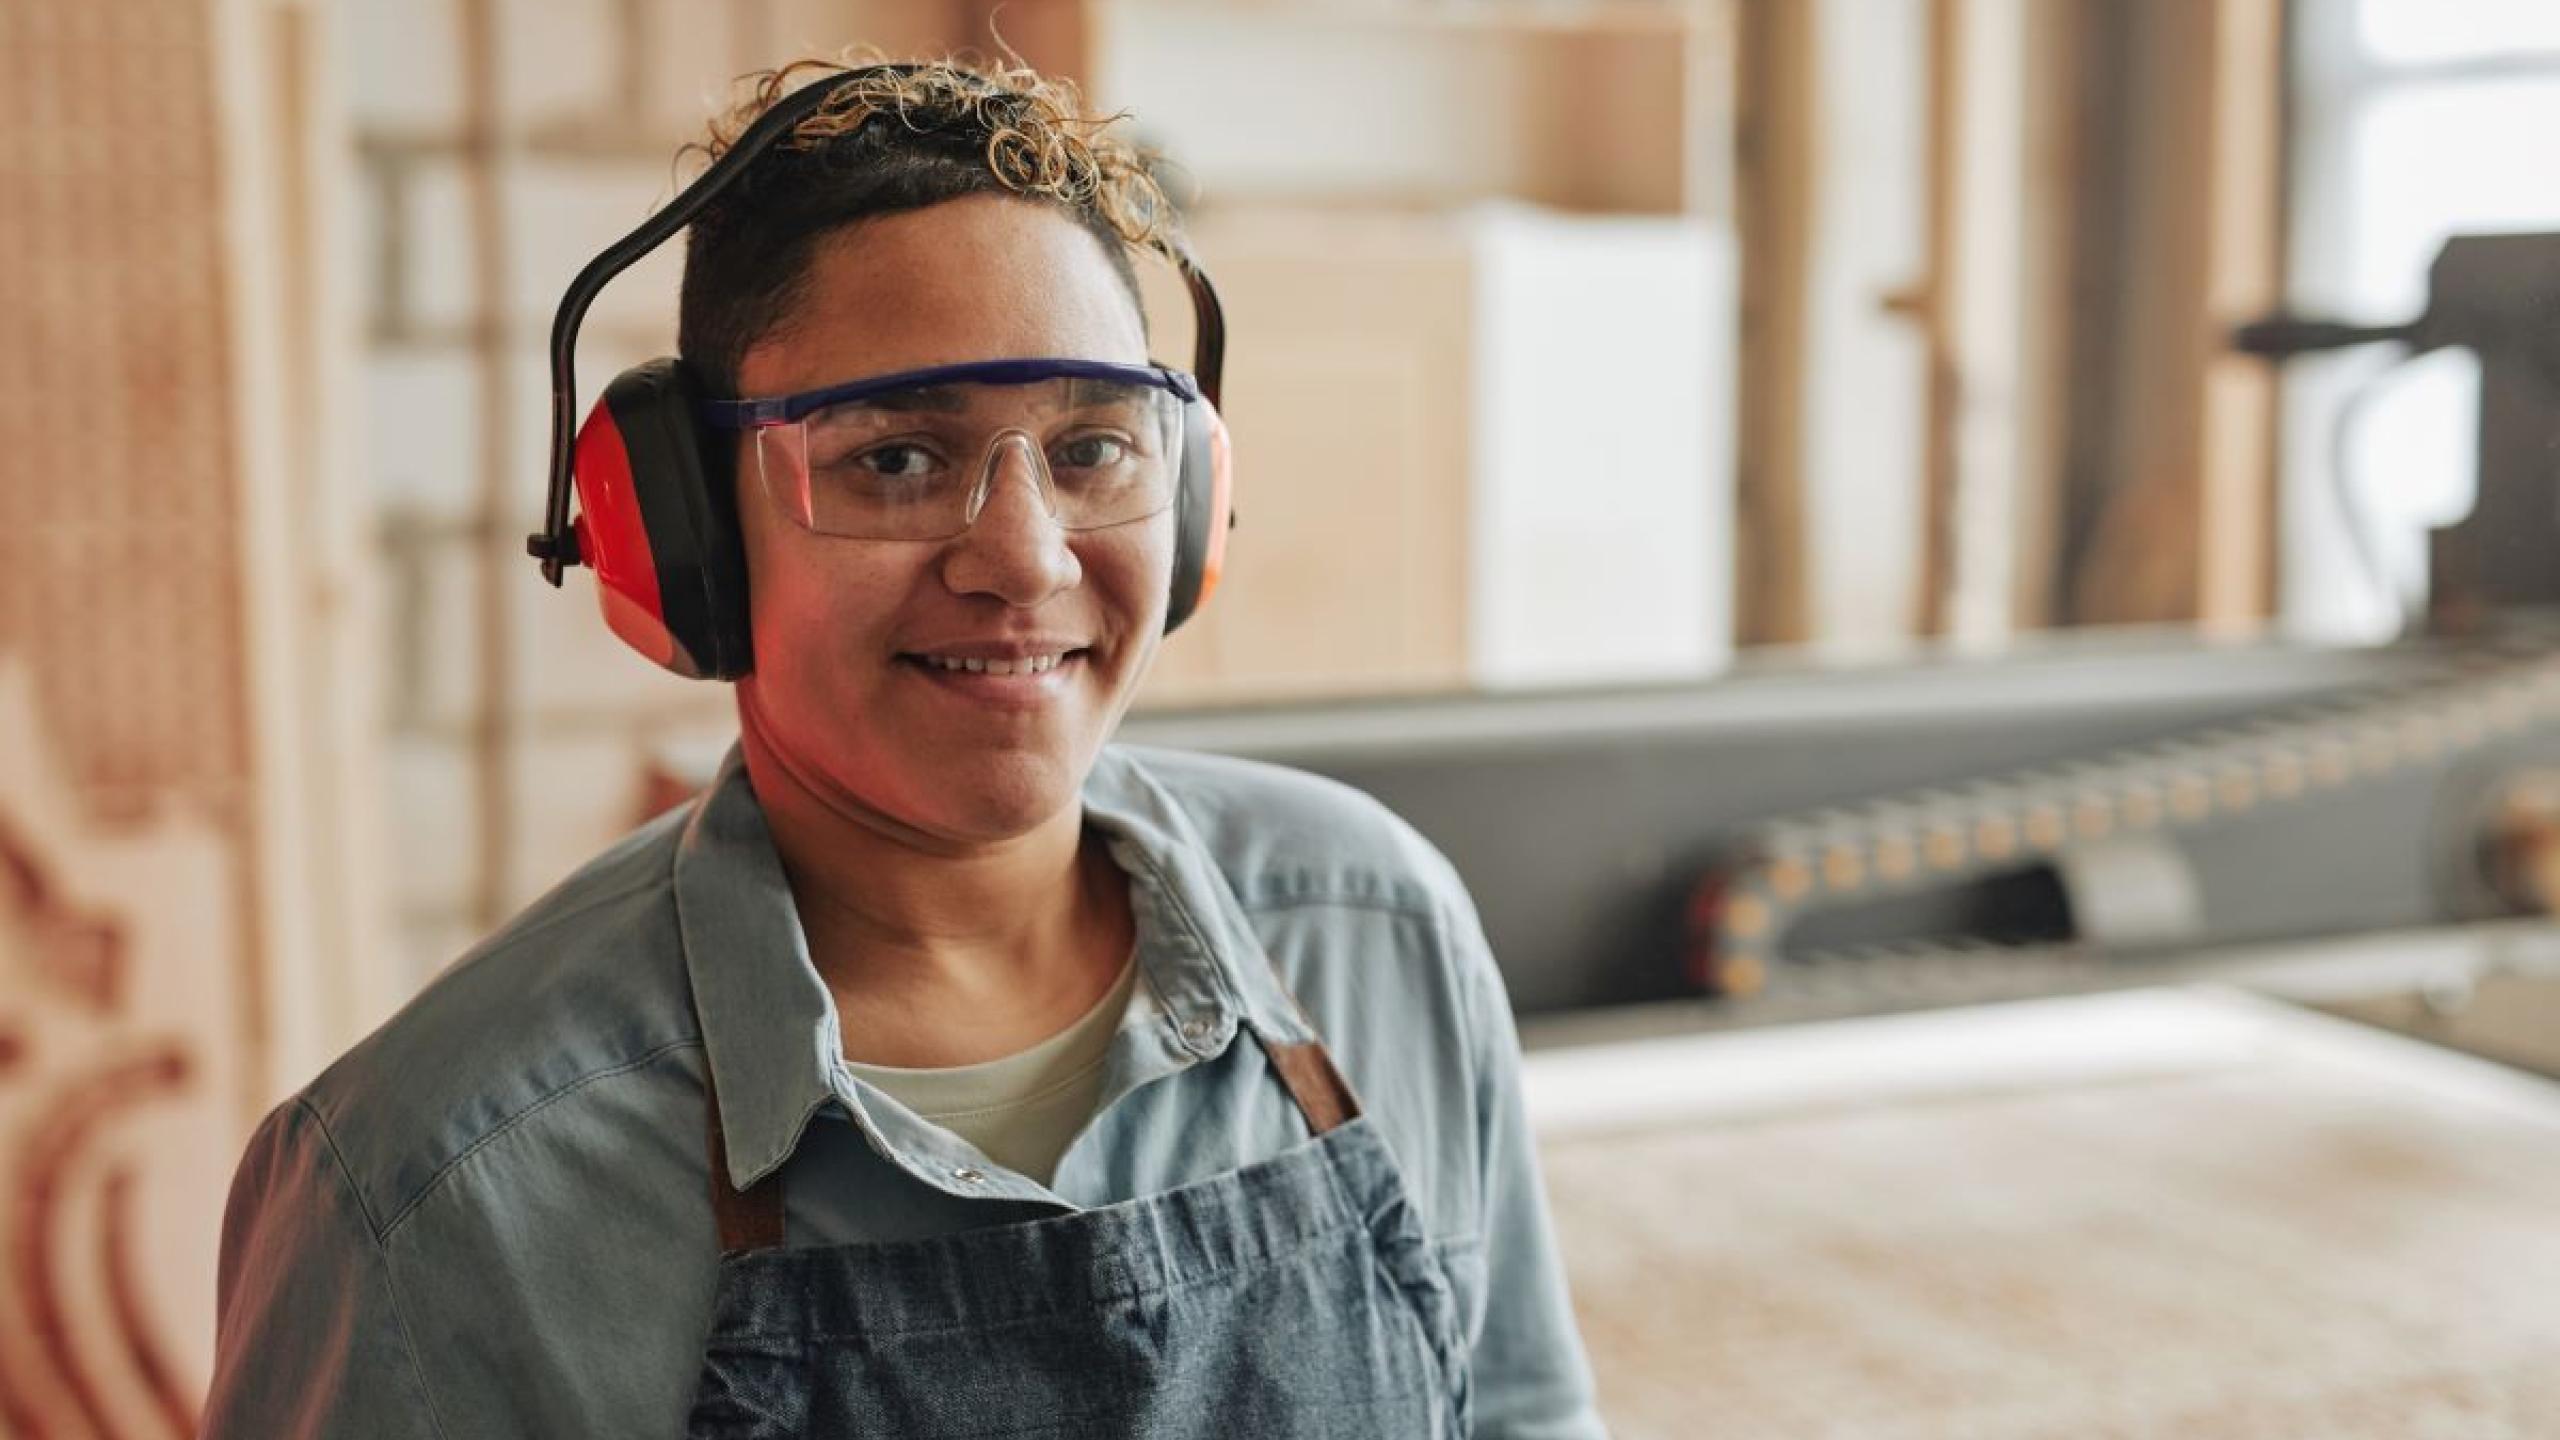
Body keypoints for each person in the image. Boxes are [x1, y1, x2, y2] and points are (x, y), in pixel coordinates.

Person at [204, 54, 1606, 1439]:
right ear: (677, 537)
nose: (1024, 560)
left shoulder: (1371, 931)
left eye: (1092, 448)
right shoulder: (436, 1190)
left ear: (1192, 509)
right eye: (894, 459)